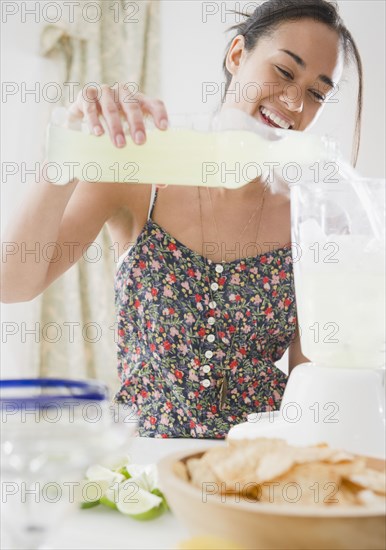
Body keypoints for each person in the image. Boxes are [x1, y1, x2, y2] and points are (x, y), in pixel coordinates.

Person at [1, 0, 363, 438]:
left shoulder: (316, 218)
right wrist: (63, 156)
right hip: (143, 465)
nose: (293, 101)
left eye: (317, 93)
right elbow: (12, 283)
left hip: (258, 464)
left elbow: (315, 385)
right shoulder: (137, 170)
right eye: (285, 72)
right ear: (236, 55)